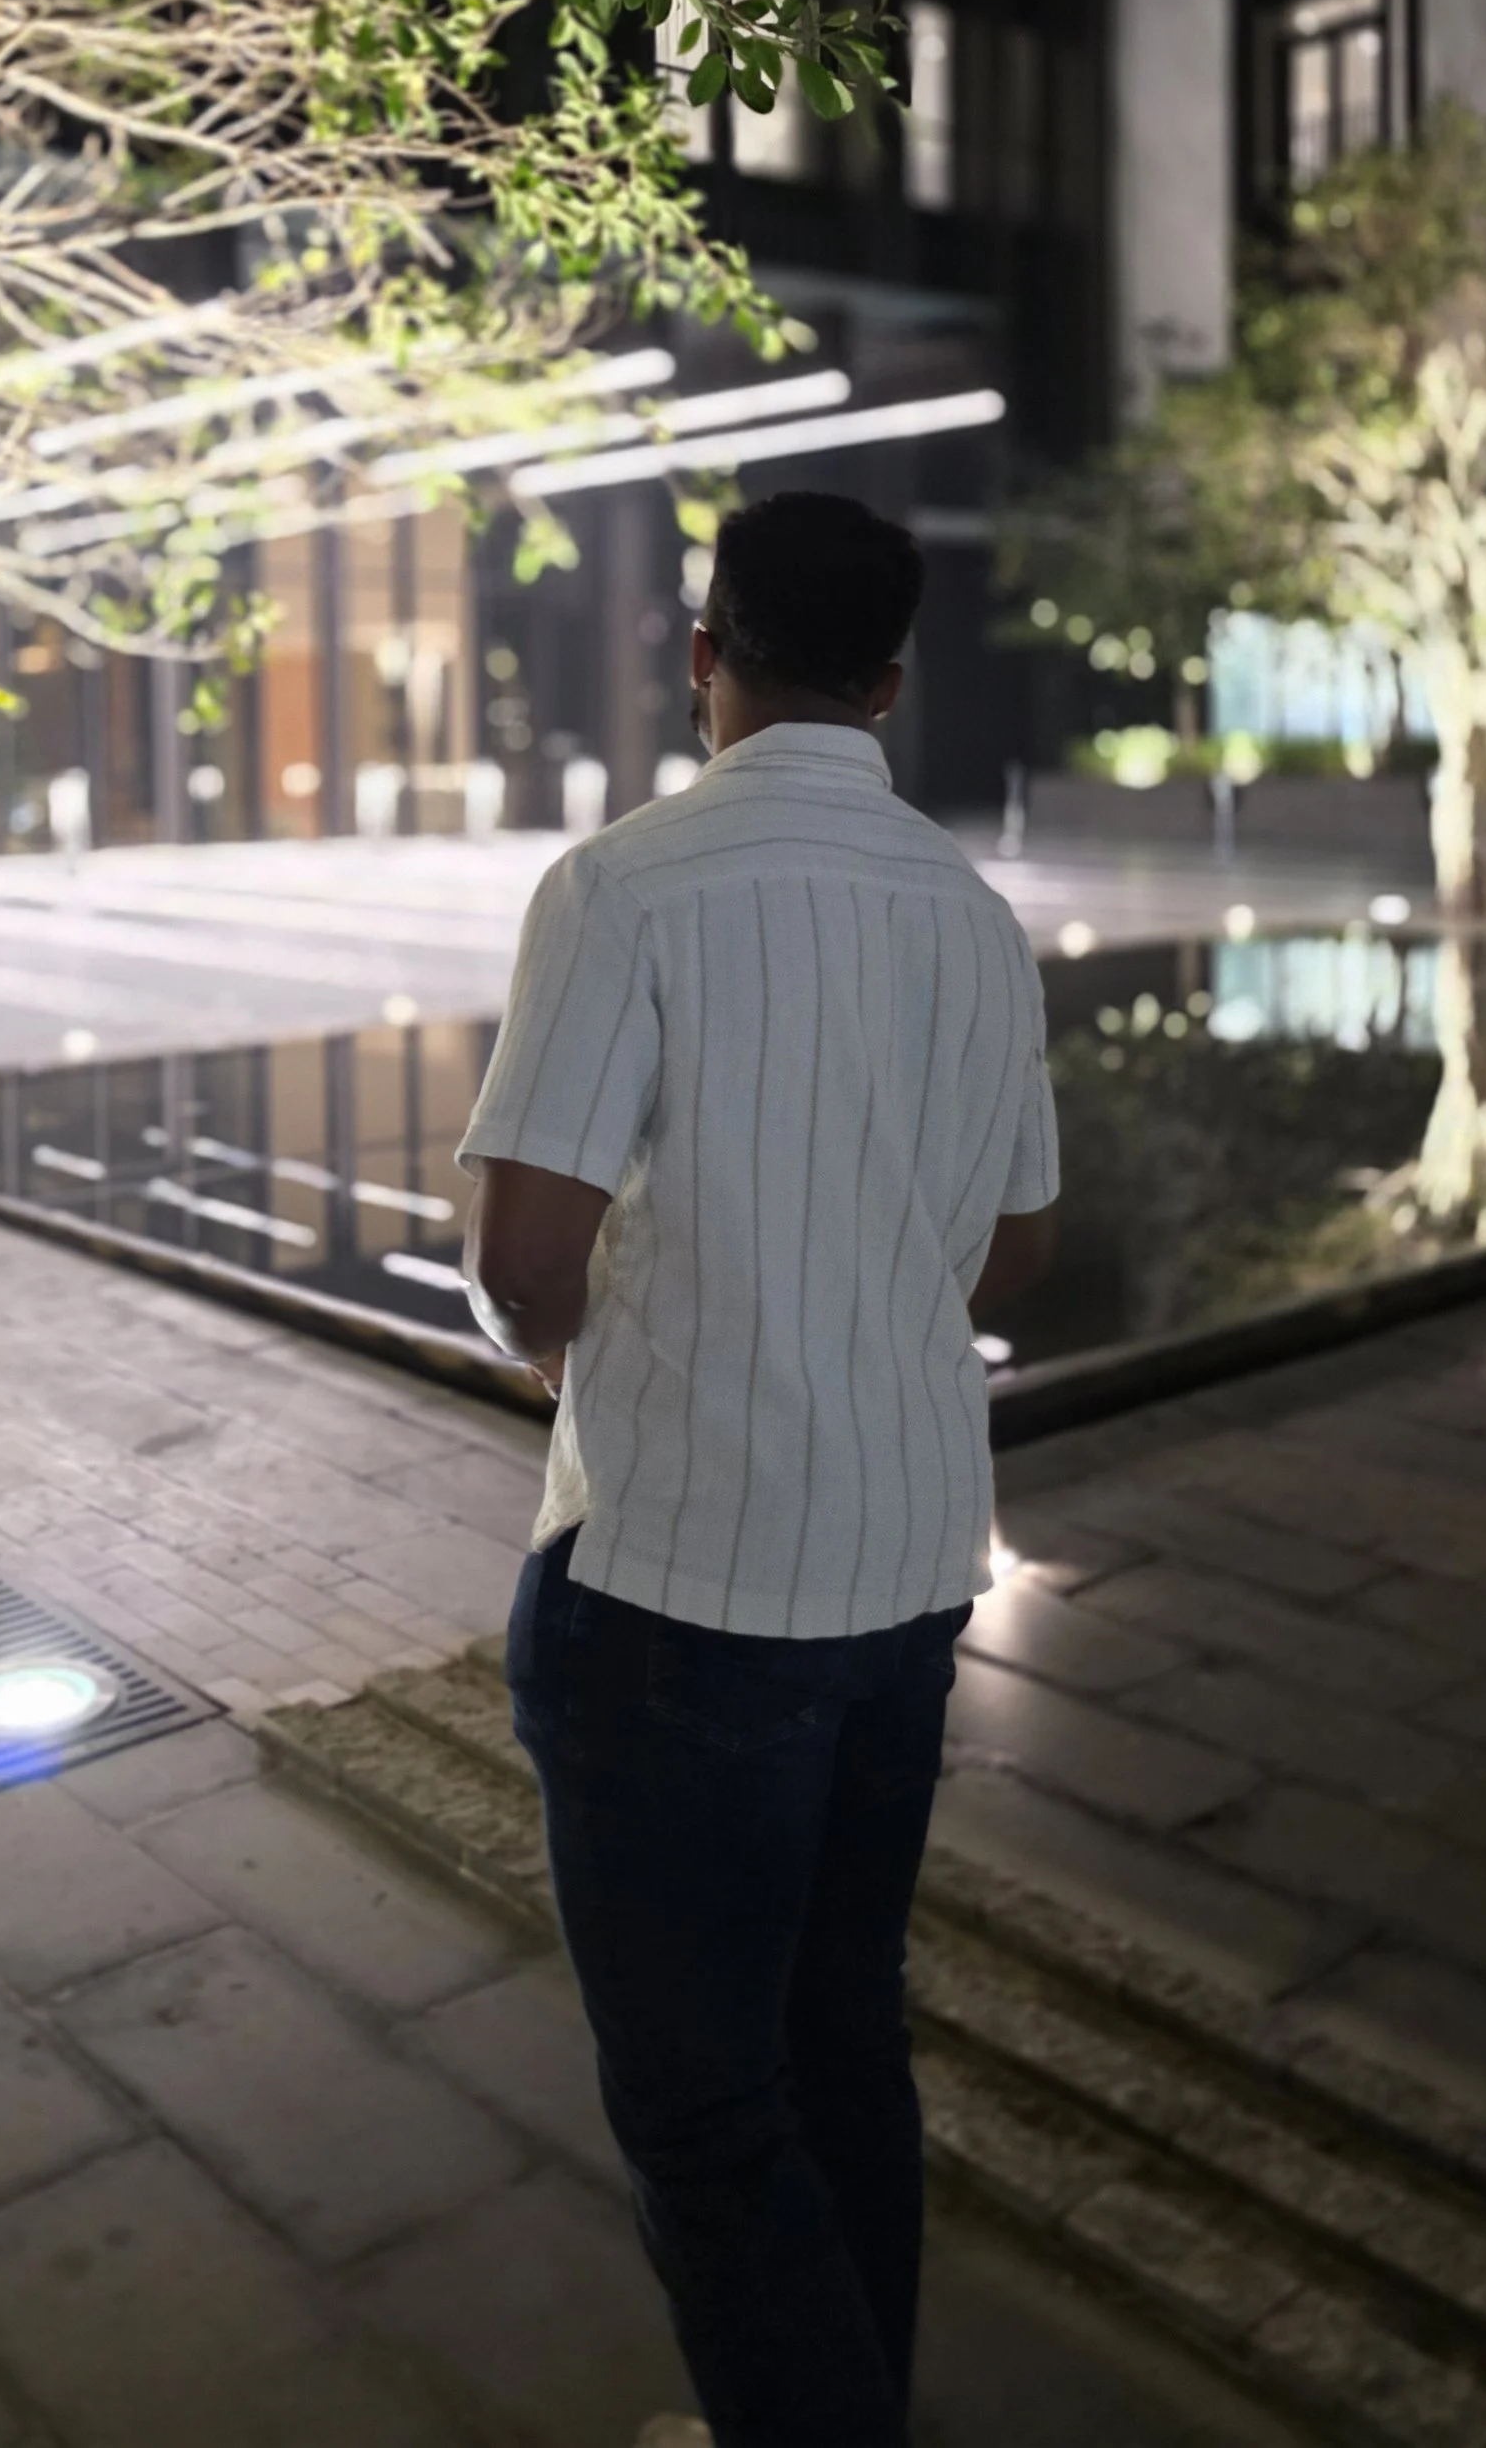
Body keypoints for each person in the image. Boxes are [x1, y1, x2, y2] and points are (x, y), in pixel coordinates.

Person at [460, 488, 1059, 2448]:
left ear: (701, 653)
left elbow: (524, 1253)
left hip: (675, 1594)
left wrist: (576, 1349)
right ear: (889, 682)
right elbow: (1012, 1254)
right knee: (835, 2045)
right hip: (903, 1573)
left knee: (706, 2112)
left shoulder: (622, 888)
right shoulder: (966, 919)